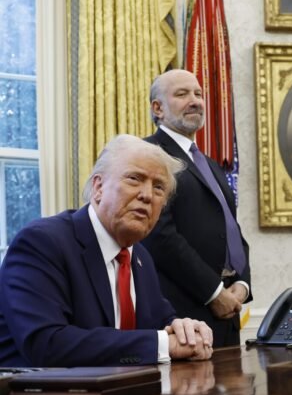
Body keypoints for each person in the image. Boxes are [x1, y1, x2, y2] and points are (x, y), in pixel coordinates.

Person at [0, 134, 213, 367]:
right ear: (98, 187)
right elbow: (46, 343)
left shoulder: (140, 257)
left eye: (159, 187)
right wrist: (163, 344)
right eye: (134, 179)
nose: (147, 195)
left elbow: (163, 323)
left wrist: (186, 331)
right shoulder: (42, 243)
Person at [143, 69, 251, 348]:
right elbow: (160, 235)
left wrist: (242, 285)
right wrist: (214, 293)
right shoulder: (149, 155)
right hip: (184, 313)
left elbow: (231, 231)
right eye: (182, 94)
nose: (195, 101)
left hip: (230, 309)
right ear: (158, 108)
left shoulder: (210, 165)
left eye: (198, 94)